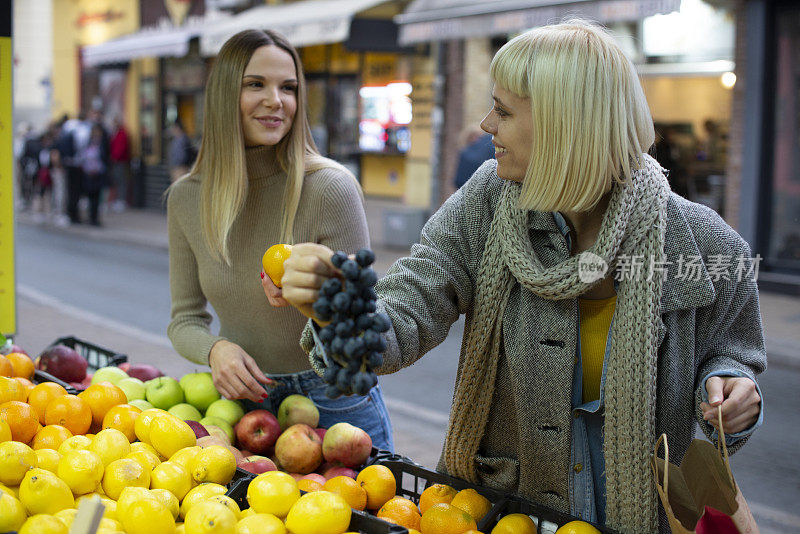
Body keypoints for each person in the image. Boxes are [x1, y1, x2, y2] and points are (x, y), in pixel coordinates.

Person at [276, 20, 764, 534]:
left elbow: (734, 353)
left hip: (648, 517)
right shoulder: (485, 204)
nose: (486, 123)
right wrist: (339, 307)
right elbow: (405, 313)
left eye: (503, 110)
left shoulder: (705, 245)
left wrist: (734, 390)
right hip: (501, 513)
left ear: (564, 128)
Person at [167, 29, 393, 452]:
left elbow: (366, 329)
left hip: (333, 400)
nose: (276, 100)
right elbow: (184, 320)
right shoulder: (186, 198)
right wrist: (215, 350)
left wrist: (319, 294)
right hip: (238, 403)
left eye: (288, 88)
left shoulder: (330, 187)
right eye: (256, 84)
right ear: (223, 96)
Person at [453, 124, 495, 189]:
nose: (477, 141)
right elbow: (459, 181)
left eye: (480, 138)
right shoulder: (465, 155)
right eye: (473, 137)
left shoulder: (489, 150)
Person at [109, 117, 131, 211]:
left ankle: (121, 200)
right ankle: (115, 200)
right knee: (115, 181)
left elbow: (121, 148)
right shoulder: (114, 134)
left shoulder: (122, 134)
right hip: (114, 161)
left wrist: (115, 157)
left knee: (121, 181)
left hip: (120, 161)